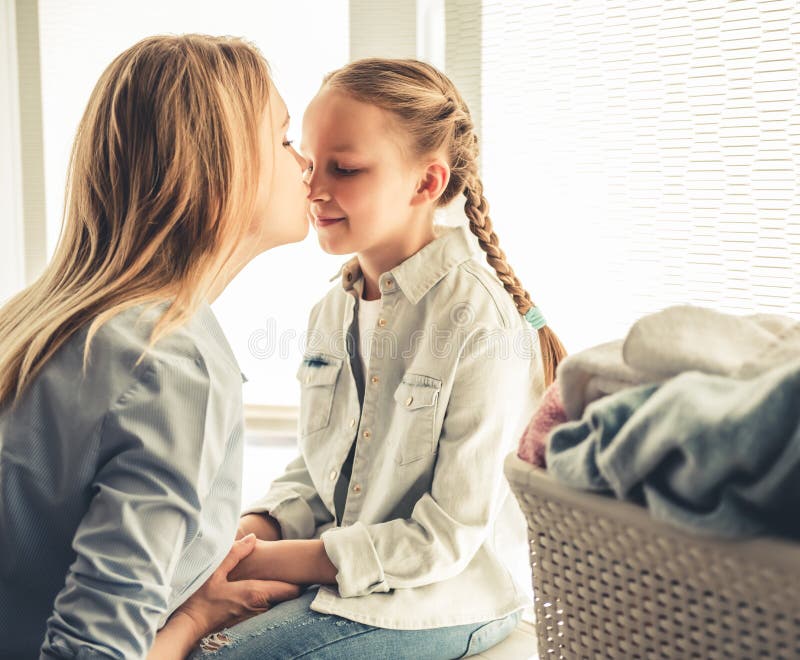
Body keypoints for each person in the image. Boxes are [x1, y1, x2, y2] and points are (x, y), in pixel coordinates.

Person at [195, 58, 567, 659]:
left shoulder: (479, 320)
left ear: (426, 183)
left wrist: (263, 560)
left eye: (345, 169)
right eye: (311, 164)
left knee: (220, 654)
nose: (314, 188)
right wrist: (244, 534)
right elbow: (323, 474)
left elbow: (446, 537)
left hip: (442, 598)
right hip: (344, 576)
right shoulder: (330, 312)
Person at [0, 34, 310, 659]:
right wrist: (192, 621)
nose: (304, 162)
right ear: (223, 168)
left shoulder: (32, 322)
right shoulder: (170, 366)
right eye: (282, 139)